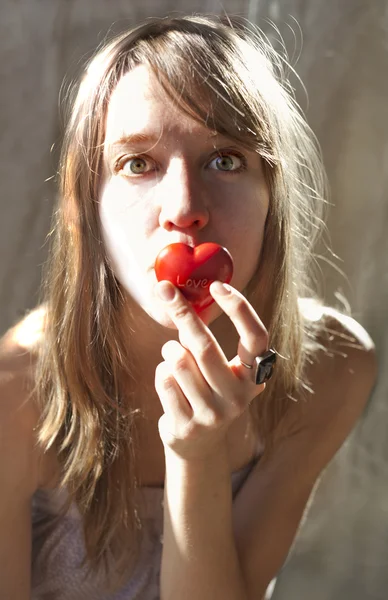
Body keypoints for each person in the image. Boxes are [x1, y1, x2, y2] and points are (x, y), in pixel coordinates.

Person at [0, 13, 377, 600]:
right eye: (136, 163)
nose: (183, 208)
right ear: (84, 211)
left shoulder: (329, 366)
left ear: (272, 202)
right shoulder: (12, 397)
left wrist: (195, 456)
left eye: (225, 159)